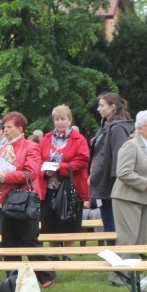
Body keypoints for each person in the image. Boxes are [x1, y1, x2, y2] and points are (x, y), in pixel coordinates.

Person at [0, 111, 55, 288]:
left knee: (29, 238)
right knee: (9, 241)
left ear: (20, 129)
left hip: (25, 200)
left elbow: (31, 173)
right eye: (4, 127)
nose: (5, 130)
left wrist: (7, 177)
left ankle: (46, 273)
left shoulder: (30, 147)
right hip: (7, 200)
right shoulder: (2, 150)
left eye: (8, 127)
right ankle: (13, 277)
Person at [110, 110, 147, 286]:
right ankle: (118, 276)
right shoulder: (131, 145)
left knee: (141, 238)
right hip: (126, 197)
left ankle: (133, 271)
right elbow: (123, 172)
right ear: (140, 127)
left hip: (144, 197)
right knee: (128, 237)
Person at [38, 105, 90, 257]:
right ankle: (53, 253)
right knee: (50, 221)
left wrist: (61, 167)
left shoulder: (79, 139)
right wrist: (45, 170)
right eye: (57, 119)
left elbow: (83, 160)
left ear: (69, 120)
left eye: (63, 119)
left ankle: (68, 254)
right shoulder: (46, 139)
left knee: (69, 221)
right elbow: (38, 159)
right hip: (50, 187)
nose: (60, 122)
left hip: (70, 188)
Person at [89, 92, 133, 243]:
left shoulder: (117, 128)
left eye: (102, 105)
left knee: (112, 224)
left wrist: (117, 183)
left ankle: (118, 259)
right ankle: (114, 260)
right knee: (107, 223)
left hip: (112, 183)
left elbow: (119, 157)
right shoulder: (105, 125)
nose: (98, 109)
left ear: (112, 107)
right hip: (102, 180)